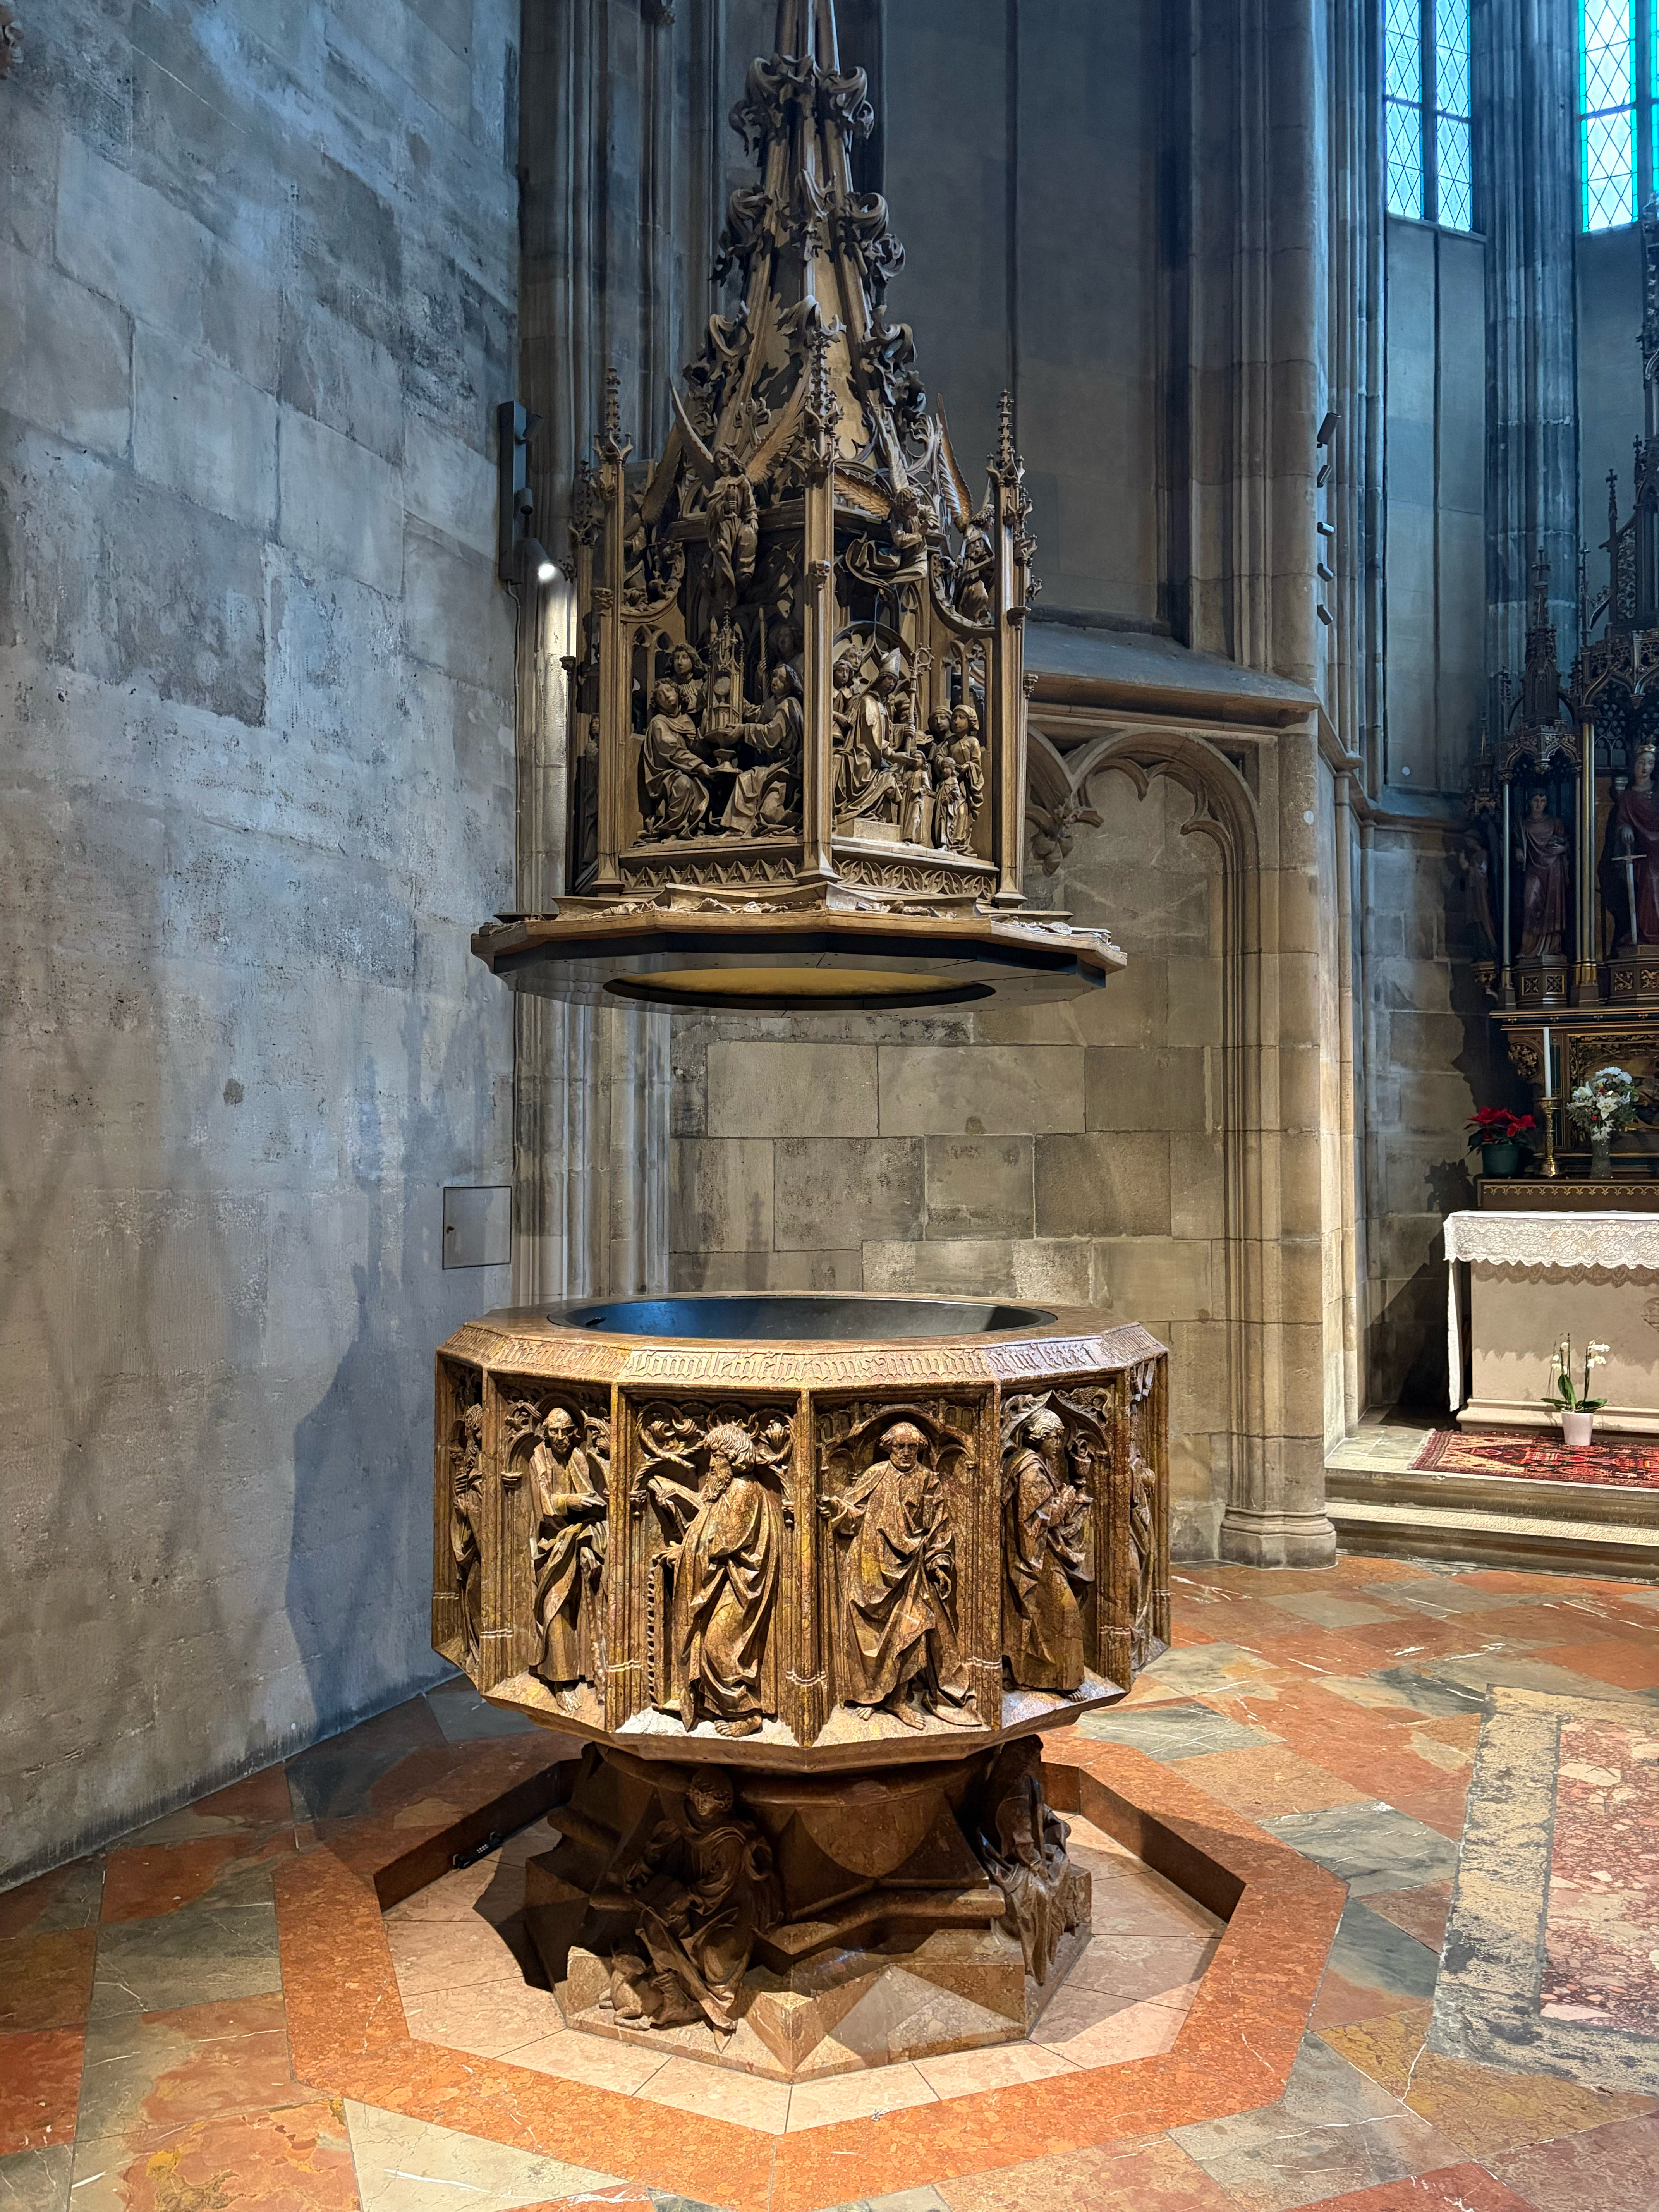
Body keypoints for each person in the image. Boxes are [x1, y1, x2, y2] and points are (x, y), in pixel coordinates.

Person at [819, 1421, 970, 1727]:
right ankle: (872, 1696)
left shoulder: (929, 1481)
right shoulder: (875, 1475)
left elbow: (939, 1527)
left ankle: (899, 1700)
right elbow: (854, 1511)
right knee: (868, 1636)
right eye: (899, 1447)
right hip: (870, 1568)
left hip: (911, 1570)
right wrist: (835, 1506)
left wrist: (939, 1564)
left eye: (912, 1447)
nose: (905, 1453)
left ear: (920, 1449)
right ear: (888, 1448)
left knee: (912, 1631)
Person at [606, 1767, 778, 2036]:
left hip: (726, 1909)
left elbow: (722, 1880)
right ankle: (675, 1998)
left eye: (708, 1799)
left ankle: (714, 2003)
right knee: (652, 1920)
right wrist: (645, 1869)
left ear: (723, 1802)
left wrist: (688, 1897)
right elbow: (661, 1843)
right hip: (691, 1894)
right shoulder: (687, 1819)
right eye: (698, 1796)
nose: (700, 1804)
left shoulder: (730, 1836)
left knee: (714, 1955)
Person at [645, 1422, 780, 1736]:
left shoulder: (745, 1491)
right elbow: (707, 1524)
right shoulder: (725, 1490)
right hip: (721, 1583)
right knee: (711, 1644)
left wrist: (685, 1552)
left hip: (739, 1585)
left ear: (733, 1459)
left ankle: (746, 1712)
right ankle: (715, 1704)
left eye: (717, 1458)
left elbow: (722, 1542)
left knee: (717, 1645)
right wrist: (678, 1497)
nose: (712, 1464)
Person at [1001, 1405, 1092, 1695]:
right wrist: (1068, 1494)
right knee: (1065, 1611)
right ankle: (1053, 1678)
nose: (1058, 1445)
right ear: (1038, 1438)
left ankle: (1046, 1676)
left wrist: (1078, 1482)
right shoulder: (1030, 1469)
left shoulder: (1034, 1463)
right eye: (1054, 1437)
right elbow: (1044, 1518)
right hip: (1034, 1559)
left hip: (1042, 1554)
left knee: (1051, 1616)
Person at [529, 1407, 608, 1690]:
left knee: (591, 1600)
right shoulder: (539, 1458)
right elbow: (545, 1506)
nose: (561, 1438)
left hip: (580, 1537)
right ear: (545, 1433)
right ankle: (561, 1683)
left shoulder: (577, 1457)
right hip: (550, 1544)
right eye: (554, 1432)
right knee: (556, 1608)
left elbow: (591, 1498)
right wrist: (572, 1501)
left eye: (566, 1431)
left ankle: (591, 1675)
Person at [723, 663, 802, 834]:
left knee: (769, 812)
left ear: (789, 684)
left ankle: (801, 822)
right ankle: (737, 829)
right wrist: (736, 698)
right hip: (776, 767)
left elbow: (771, 736)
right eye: (774, 676)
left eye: (781, 679)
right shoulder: (776, 703)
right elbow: (759, 714)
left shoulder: (789, 705)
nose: (775, 681)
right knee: (746, 779)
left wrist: (744, 730)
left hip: (788, 768)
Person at [639, 680, 711, 840]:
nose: (666, 696)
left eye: (669, 691)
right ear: (657, 704)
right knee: (683, 784)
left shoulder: (686, 720)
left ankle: (703, 827)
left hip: (688, 769)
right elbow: (672, 751)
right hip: (664, 775)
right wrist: (701, 767)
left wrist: (704, 729)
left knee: (712, 783)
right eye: (660, 696)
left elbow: (697, 749)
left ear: (678, 693)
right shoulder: (658, 723)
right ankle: (672, 830)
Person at [1613, 743, 1659, 943]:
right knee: (1651, 880)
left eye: (1650, 763)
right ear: (1634, 765)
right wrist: (1626, 829)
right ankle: (1649, 932)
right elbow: (1623, 821)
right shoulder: (1629, 797)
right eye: (1641, 763)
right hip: (1645, 853)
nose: (1645, 768)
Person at [1516, 787, 1570, 958]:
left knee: (1552, 908)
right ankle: (1529, 948)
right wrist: (1518, 850)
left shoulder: (1555, 823)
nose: (1540, 805)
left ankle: (1552, 949)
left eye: (1543, 801)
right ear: (1529, 803)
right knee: (1530, 903)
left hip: (1553, 869)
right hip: (1533, 869)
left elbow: (1568, 843)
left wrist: (1563, 848)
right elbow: (1517, 843)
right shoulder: (1523, 825)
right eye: (1536, 801)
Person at [451, 1402, 484, 1664]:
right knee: (473, 1590)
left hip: (487, 1540)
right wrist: (461, 1502)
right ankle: (477, 1649)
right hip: (476, 1541)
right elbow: (468, 1501)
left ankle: (482, 1651)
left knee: (478, 1590)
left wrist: (468, 1506)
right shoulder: (474, 1463)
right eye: (479, 1430)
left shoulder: (486, 1462)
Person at [706, 446, 759, 603]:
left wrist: (753, 518)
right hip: (724, 525)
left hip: (739, 523)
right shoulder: (718, 484)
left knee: (749, 534)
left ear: (731, 459)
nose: (722, 463)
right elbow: (710, 510)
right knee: (722, 549)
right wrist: (724, 508)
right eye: (718, 461)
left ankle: (743, 574)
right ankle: (727, 585)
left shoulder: (742, 481)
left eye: (724, 458)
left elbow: (751, 506)